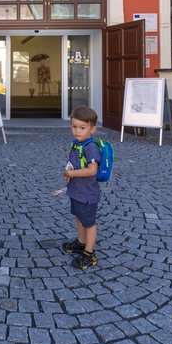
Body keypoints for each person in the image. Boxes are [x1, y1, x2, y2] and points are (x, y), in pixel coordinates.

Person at [61, 106, 102, 269]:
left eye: (82, 128)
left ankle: (89, 253)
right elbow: (75, 162)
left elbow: (92, 170)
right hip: (77, 191)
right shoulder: (76, 144)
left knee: (89, 223)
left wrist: (72, 174)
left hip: (87, 193)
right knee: (79, 216)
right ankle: (81, 242)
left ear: (93, 129)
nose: (77, 131)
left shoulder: (90, 146)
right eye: (74, 127)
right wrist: (69, 171)